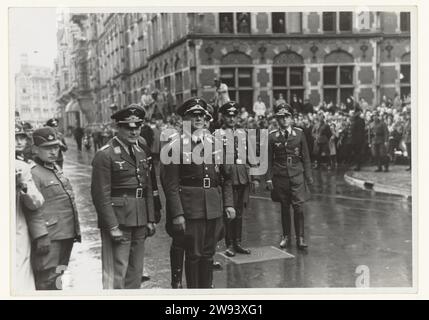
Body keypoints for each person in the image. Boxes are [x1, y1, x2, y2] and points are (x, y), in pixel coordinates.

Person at [161, 97, 236, 288]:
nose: (199, 118)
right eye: (194, 114)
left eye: (202, 114)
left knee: (208, 253)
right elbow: (170, 184)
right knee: (193, 254)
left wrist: (228, 203)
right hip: (190, 207)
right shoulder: (174, 145)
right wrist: (177, 214)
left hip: (213, 206)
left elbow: (227, 176)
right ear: (184, 118)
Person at [91, 104, 157, 289]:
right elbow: (100, 195)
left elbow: (147, 187)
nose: (134, 131)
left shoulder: (140, 151)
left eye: (137, 127)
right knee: (116, 273)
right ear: (118, 128)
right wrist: (111, 226)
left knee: (135, 271)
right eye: (129, 127)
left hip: (139, 219)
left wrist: (150, 218)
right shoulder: (105, 154)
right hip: (119, 220)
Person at [29, 127, 81, 290]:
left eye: (56, 147)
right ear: (35, 149)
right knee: (46, 279)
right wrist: (41, 235)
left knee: (60, 273)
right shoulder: (33, 173)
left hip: (65, 233)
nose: (53, 152)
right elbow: (32, 209)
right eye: (47, 148)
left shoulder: (54, 167)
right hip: (50, 237)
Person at [266, 103, 313, 250]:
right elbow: (268, 159)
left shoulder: (299, 133)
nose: (284, 120)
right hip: (280, 176)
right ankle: (286, 236)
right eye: (280, 117)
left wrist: (309, 176)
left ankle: (300, 237)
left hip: (297, 174)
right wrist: (268, 178)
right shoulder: (272, 136)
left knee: (299, 207)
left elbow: (306, 156)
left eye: (287, 116)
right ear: (276, 119)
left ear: (291, 118)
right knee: (285, 207)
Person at [219, 101, 260, 257]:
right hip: (228, 178)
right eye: (228, 116)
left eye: (234, 116)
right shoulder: (218, 135)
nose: (231, 119)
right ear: (223, 117)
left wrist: (255, 177)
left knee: (240, 213)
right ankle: (228, 244)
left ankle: (238, 242)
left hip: (243, 177)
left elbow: (251, 155)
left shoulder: (243, 134)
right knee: (229, 212)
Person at [15, 123, 45, 291]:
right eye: (14, 138)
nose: (19, 142)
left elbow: (36, 202)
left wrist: (24, 188)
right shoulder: (20, 165)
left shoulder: (24, 165)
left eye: (22, 138)